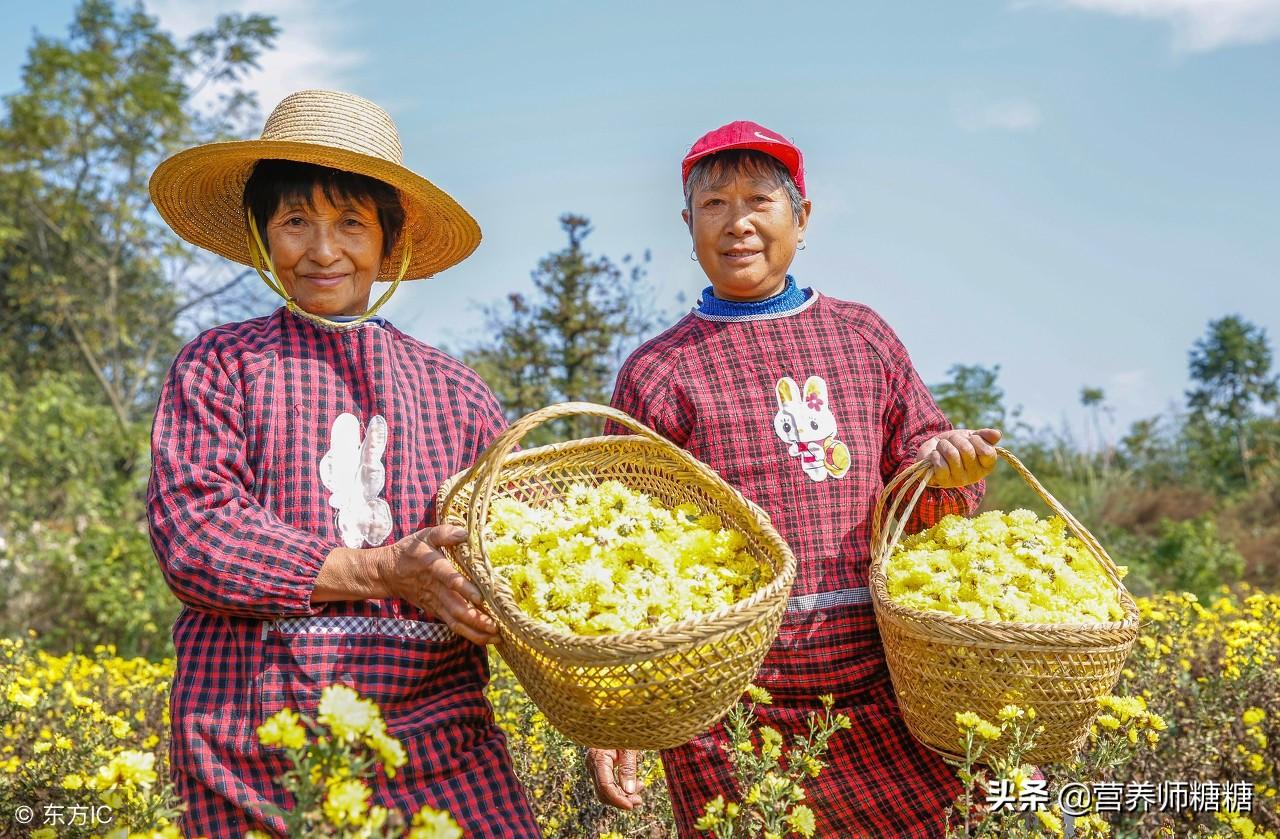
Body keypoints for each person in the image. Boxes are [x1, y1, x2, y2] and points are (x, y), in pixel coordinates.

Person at [587, 120, 1002, 837]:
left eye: (759, 200)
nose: (738, 223)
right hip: (727, 708)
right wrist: (612, 706)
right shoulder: (658, 372)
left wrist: (947, 467)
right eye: (714, 205)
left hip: (887, 686)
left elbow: (921, 464)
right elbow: (616, 545)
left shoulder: (861, 336)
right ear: (688, 225)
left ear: (801, 218)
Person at [147, 89, 540, 836]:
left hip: (440, 747)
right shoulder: (221, 365)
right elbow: (196, 538)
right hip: (253, 745)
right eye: (296, 221)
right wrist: (382, 570)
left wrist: (605, 711)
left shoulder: (459, 394)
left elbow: (528, 566)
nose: (323, 251)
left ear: (390, 242)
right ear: (263, 236)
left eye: (351, 223)